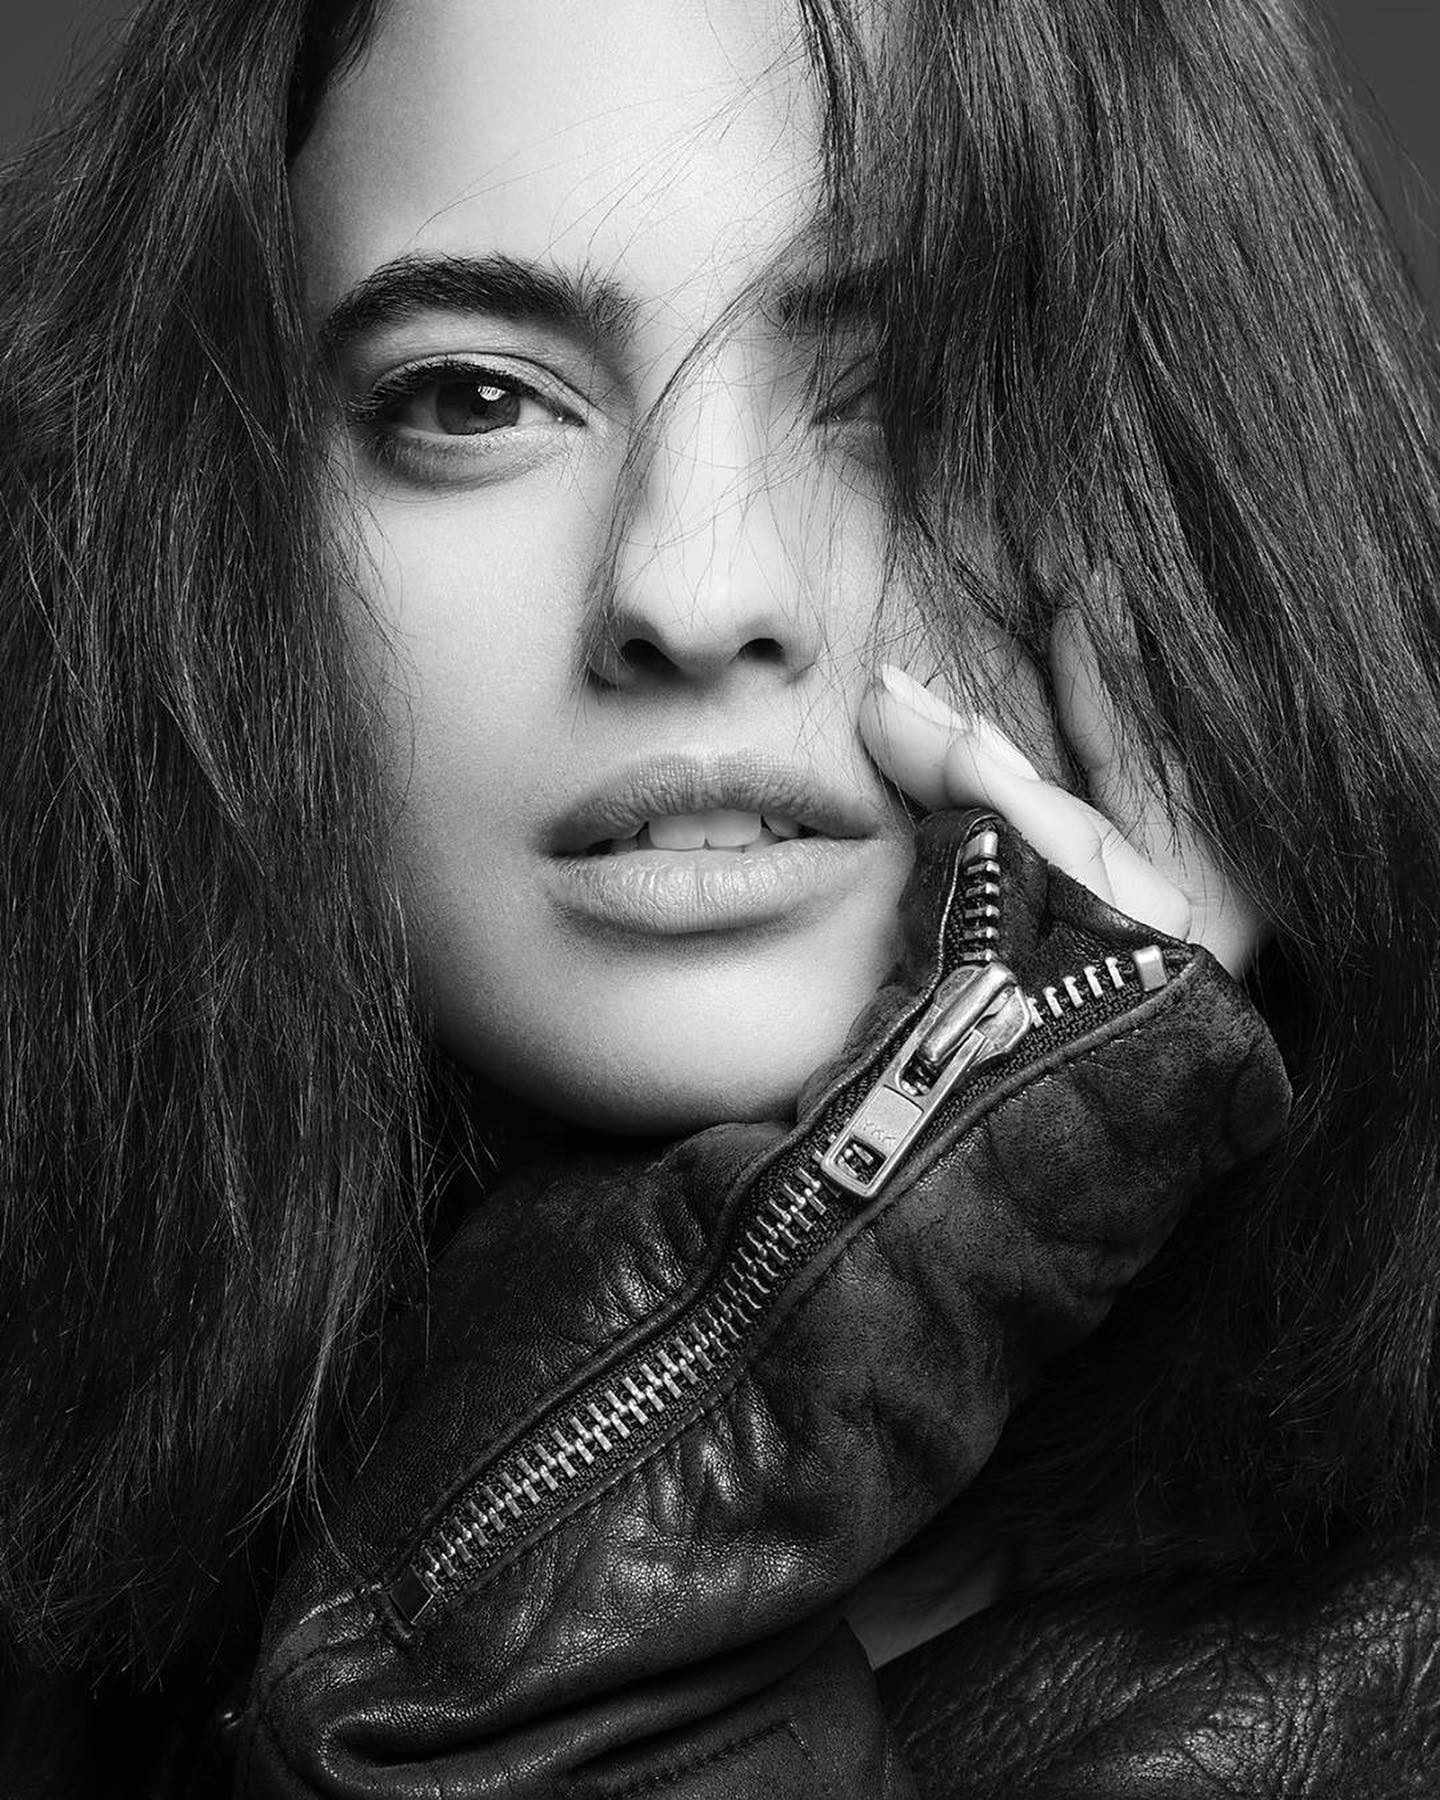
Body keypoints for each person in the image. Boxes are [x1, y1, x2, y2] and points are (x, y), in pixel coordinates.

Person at [2, 0, 1437, 1792]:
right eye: (470, 400)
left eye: (912, 388)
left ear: (1230, 507)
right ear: (216, 536)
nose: (689, 589)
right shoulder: (73, 1604)